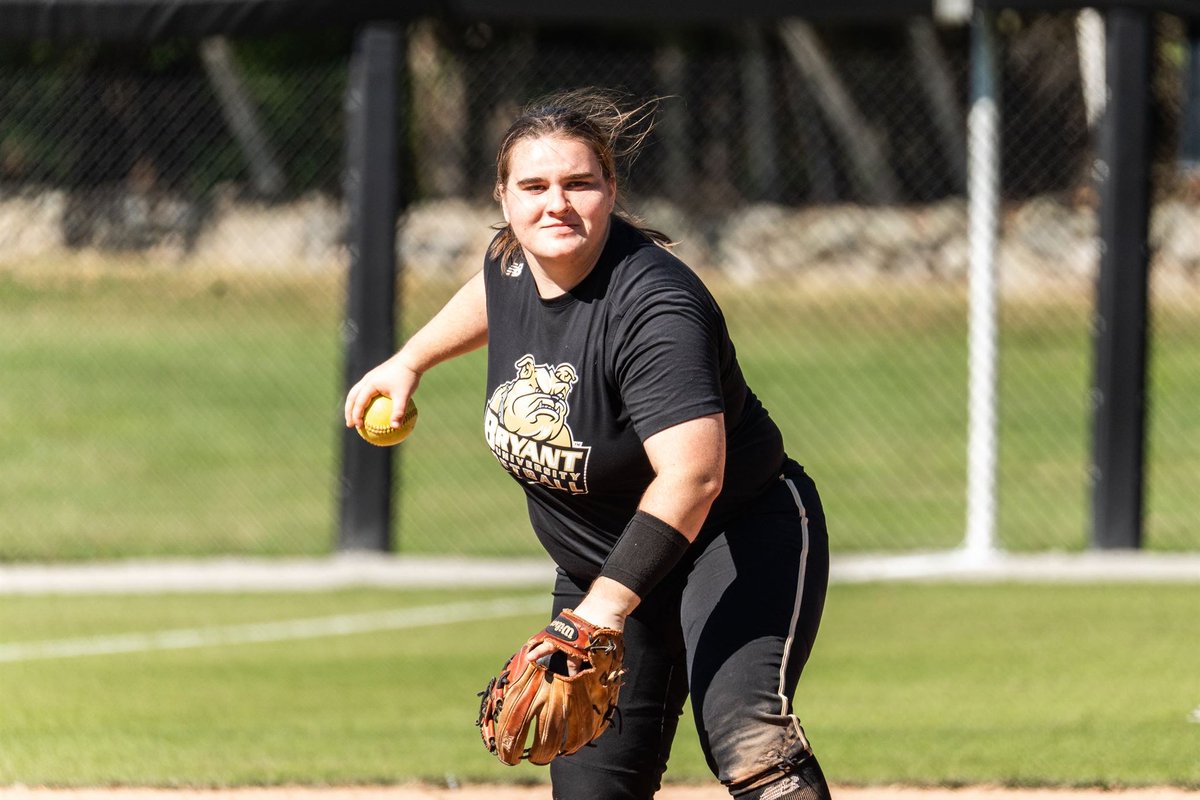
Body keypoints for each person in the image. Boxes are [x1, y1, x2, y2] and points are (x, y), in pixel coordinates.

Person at [344, 88, 832, 800]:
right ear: (503, 199)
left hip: (734, 539)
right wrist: (410, 360)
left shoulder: (655, 308)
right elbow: (494, 289)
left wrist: (599, 614)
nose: (556, 205)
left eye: (579, 184)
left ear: (610, 190)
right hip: (598, 564)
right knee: (592, 790)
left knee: (751, 745)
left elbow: (693, 479)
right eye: (534, 187)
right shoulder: (511, 260)